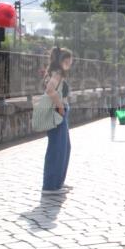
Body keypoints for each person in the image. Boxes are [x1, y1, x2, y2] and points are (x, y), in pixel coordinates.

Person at [42, 46, 74, 195]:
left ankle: (57, 182)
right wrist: (61, 106)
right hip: (58, 112)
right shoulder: (58, 73)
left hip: (60, 112)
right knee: (57, 149)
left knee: (64, 148)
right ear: (63, 60)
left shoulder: (57, 72)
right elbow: (49, 90)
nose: (71, 63)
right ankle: (50, 186)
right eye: (69, 60)